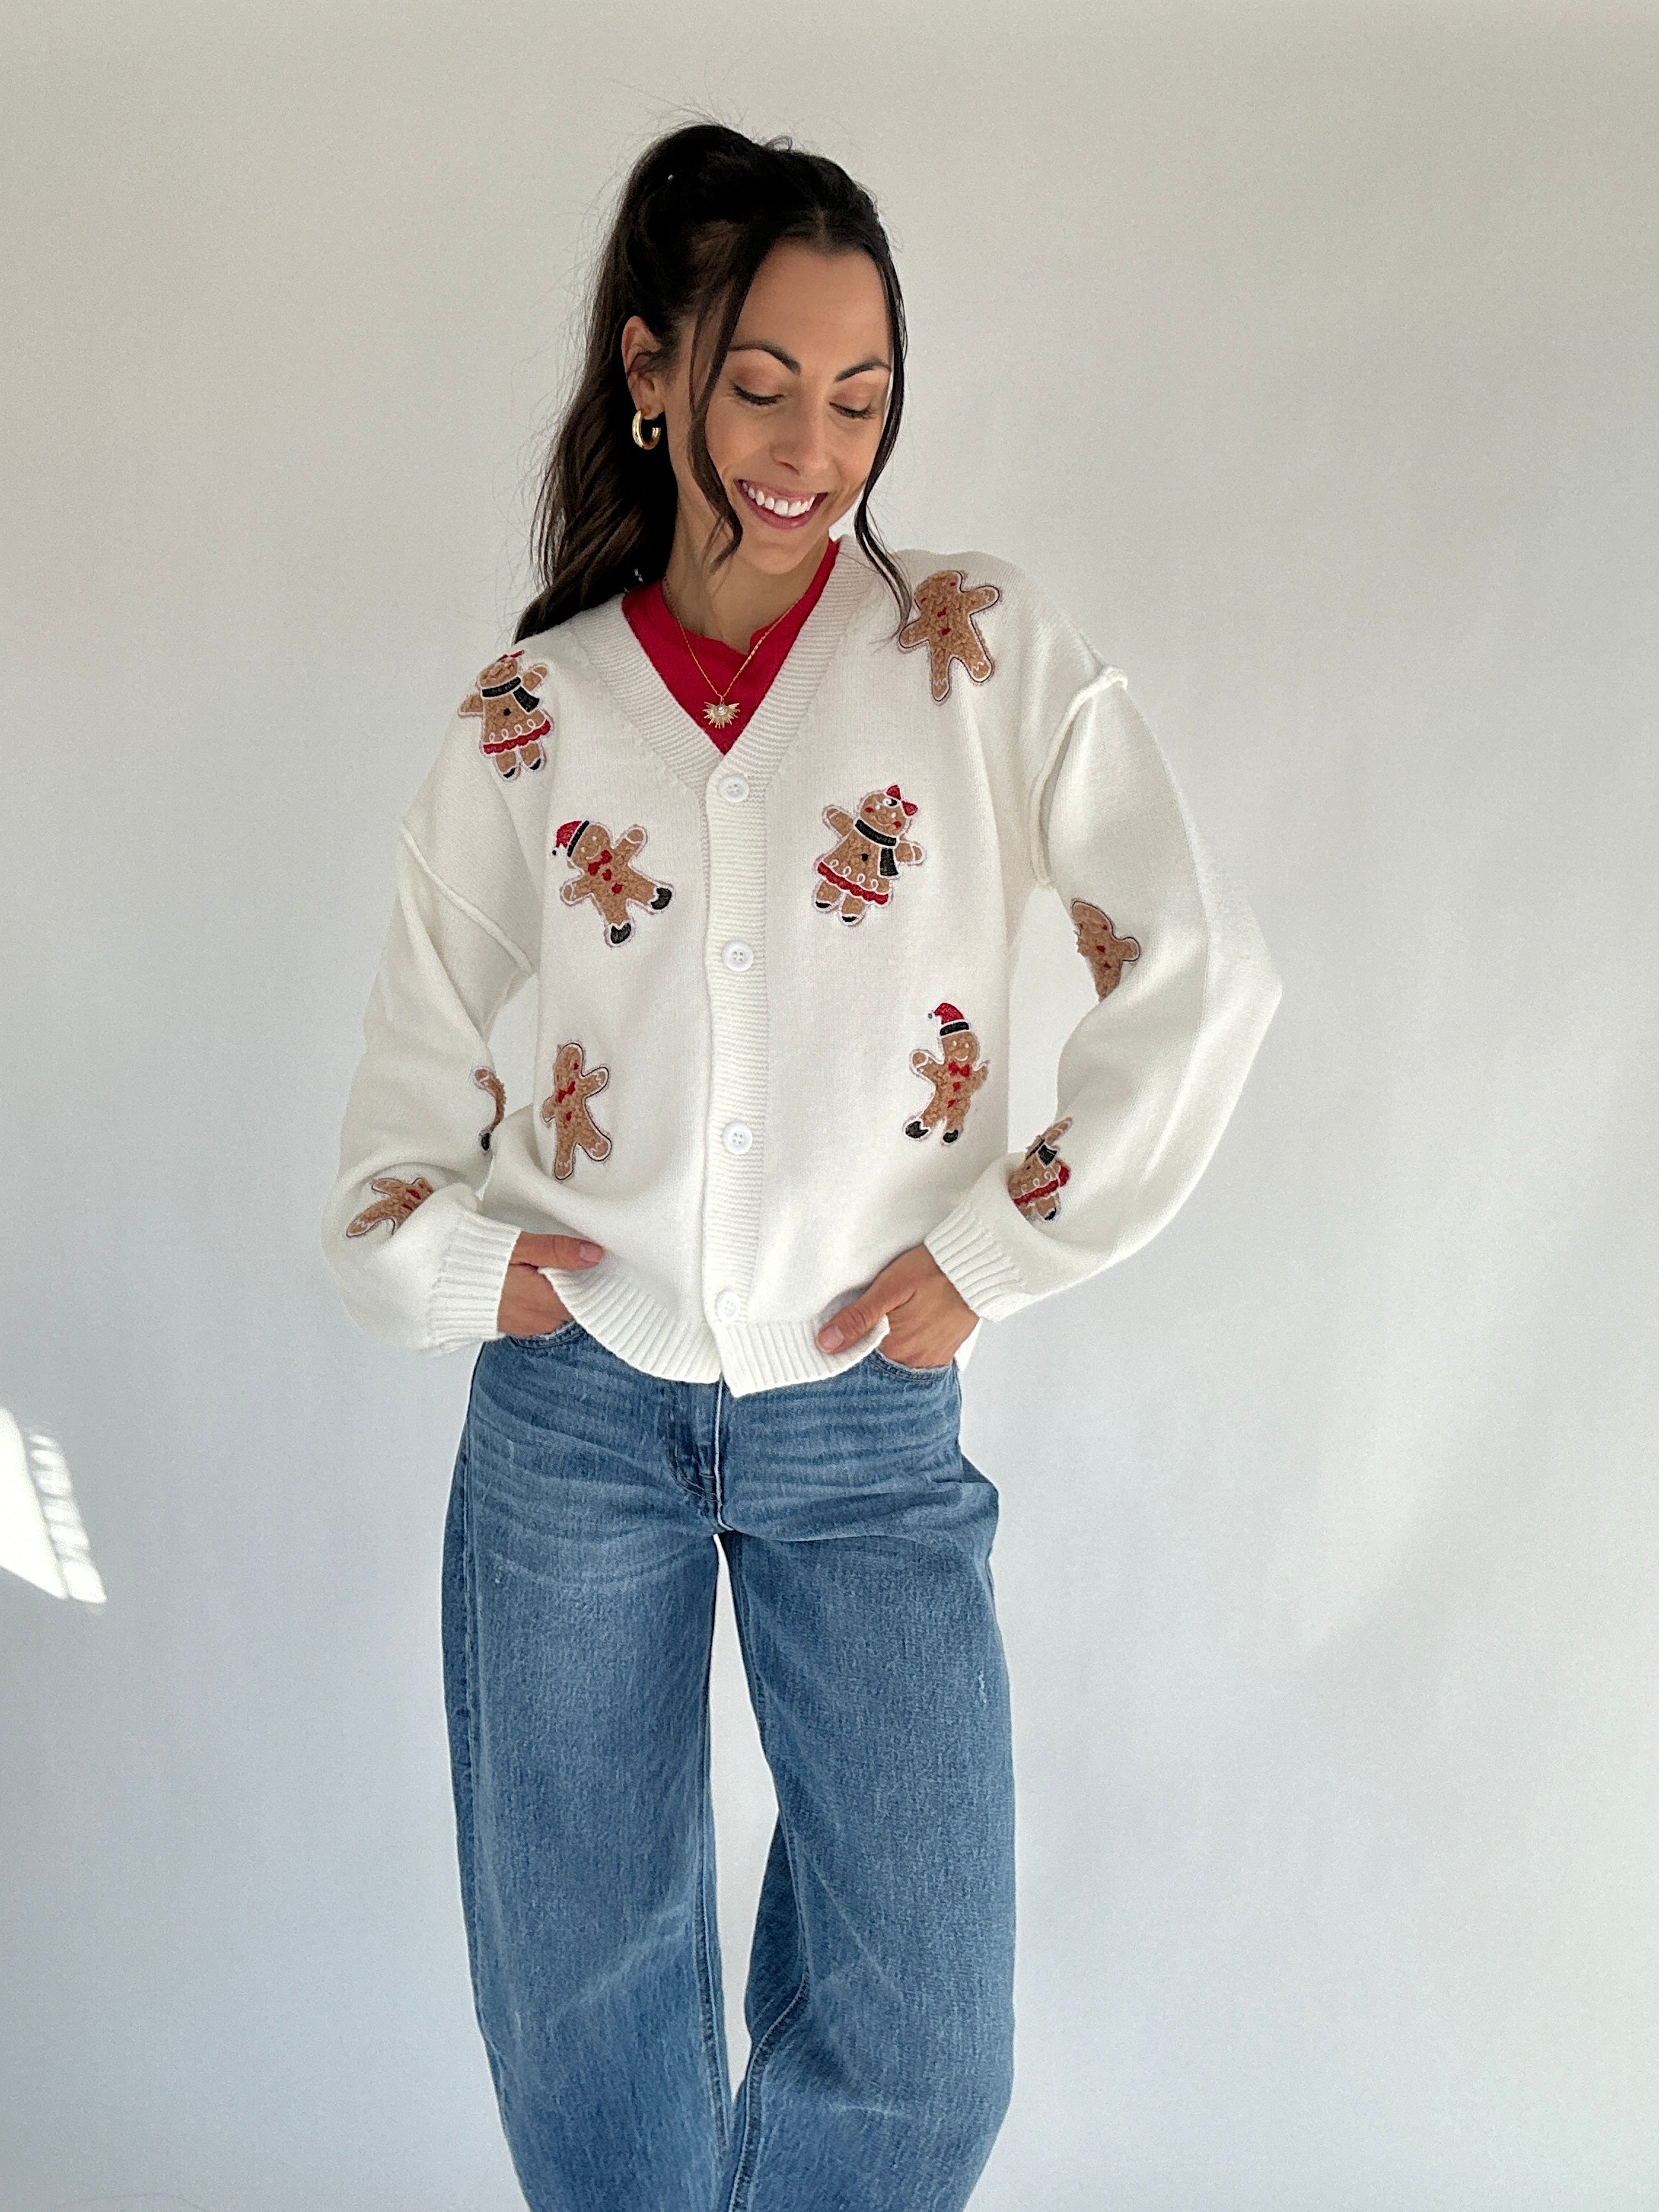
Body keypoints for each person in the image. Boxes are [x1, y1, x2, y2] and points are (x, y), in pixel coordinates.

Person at [321, 119, 1281, 2212]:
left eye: (861, 397)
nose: (812, 446)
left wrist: (1002, 1250)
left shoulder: (970, 648)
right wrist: (483, 1273)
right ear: (655, 372)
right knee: (587, 2030)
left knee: (929, 2044)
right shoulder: (530, 716)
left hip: (866, 1419)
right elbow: (396, 1133)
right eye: (762, 383)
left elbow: (1195, 976)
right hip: (575, 1427)